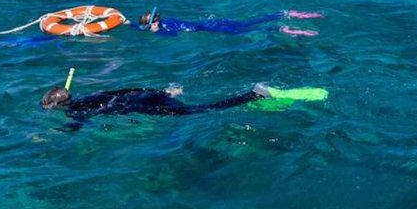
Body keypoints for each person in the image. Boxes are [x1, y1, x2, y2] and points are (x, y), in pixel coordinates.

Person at [41, 82, 269, 129]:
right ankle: (252, 95)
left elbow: (73, 129)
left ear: (55, 105)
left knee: (196, 111)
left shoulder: (75, 111)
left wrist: (50, 133)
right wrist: (162, 91)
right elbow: (125, 90)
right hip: (146, 95)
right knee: (193, 109)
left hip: (141, 106)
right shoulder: (91, 94)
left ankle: (253, 96)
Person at [136, 8, 321, 37]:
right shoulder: (169, 20)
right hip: (216, 22)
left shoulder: (166, 27)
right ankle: (284, 13)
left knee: (247, 32)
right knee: (251, 23)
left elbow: (174, 35)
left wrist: (156, 32)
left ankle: (285, 29)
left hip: (213, 28)